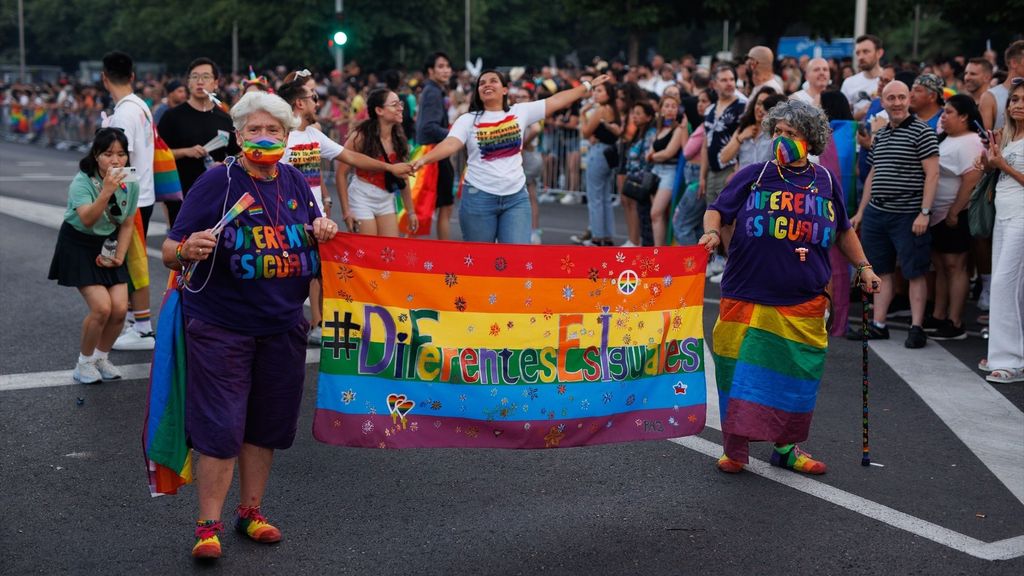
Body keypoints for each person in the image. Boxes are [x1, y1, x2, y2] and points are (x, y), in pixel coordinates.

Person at [161, 91, 340, 560]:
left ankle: (251, 512)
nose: (265, 138)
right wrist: (187, 249)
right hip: (222, 325)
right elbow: (169, 248)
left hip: (283, 325)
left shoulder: (298, 183)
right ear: (238, 136)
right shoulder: (217, 182)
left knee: (264, 426)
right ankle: (208, 526)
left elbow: (317, 236)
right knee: (221, 426)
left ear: (287, 136)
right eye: (255, 130)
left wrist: (326, 230)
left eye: (274, 131)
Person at [700, 99, 881, 475]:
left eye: (791, 133)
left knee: (793, 379)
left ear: (810, 139)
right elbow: (717, 208)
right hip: (745, 295)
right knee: (737, 376)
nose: (781, 139)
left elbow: (844, 231)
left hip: (803, 301)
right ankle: (735, 450)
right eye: (778, 132)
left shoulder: (826, 182)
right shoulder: (754, 174)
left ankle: (786, 448)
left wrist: (864, 266)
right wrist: (712, 232)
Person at [277, 75, 411, 345]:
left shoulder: (314, 134)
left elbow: (349, 158)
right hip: (287, 217)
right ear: (300, 104)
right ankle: (288, 326)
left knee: (319, 271)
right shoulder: (281, 137)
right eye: (314, 99)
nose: (319, 103)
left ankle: (317, 323)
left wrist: (387, 168)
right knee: (288, 274)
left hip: (314, 217)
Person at [413, 70, 611, 243]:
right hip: (479, 198)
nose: (487, 85)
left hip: (516, 199)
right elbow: (450, 143)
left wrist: (587, 85)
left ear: (505, 90)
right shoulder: (467, 120)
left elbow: (557, 100)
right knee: (481, 263)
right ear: (478, 92)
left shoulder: (520, 112)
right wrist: (423, 160)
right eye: (482, 83)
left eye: (493, 81)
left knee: (515, 260)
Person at [850, 81, 940, 349]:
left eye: (902, 97)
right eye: (891, 98)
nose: (897, 102)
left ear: (909, 99)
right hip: (878, 213)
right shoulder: (882, 136)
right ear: (883, 102)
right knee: (881, 272)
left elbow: (932, 174)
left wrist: (924, 212)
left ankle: (916, 327)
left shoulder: (922, 132)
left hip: (908, 214)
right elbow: (873, 176)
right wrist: (862, 212)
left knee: (914, 272)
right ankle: (878, 325)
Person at [48, 128, 139, 384]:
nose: (116, 160)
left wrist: (119, 256)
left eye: (121, 154)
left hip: (108, 243)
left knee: (120, 309)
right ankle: (83, 363)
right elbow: (87, 219)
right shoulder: (82, 181)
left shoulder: (130, 183)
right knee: (101, 308)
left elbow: (128, 222)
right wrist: (106, 191)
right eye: (108, 153)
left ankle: (101, 357)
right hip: (78, 242)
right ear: (96, 154)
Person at [99, 51, 158, 352]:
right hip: (142, 191)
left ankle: (143, 327)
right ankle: (137, 323)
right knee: (130, 258)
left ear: (104, 77)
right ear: (133, 76)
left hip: (129, 194)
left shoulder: (123, 113)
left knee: (129, 260)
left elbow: (119, 159)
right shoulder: (140, 107)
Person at [977, 79, 1024, 383]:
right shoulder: (1008, 136)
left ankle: (1010, 361)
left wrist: (1003, 165)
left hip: (1021, 217)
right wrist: (989, 160)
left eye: (1023, 100)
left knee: (1005, 285)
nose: (1017, 104)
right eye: (1014, 99)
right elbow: (991, 170)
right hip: (1004, 215)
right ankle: (1002, 354)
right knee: (1008, 287)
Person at [927, 94, 984, 340]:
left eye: (949, 112)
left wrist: (953, 211)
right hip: (937, 214)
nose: (944, 116)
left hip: (955, 214)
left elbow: (971, 180)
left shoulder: (970, 141)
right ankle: (939, 315)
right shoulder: (945, 138)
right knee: (940, 266)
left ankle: (955, 320)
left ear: (964, 117)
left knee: (955, 266)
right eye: (944, 112)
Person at [158, 57, 240, 225]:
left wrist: (226, 163)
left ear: (216, 83)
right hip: (182, 197)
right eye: (194, 77)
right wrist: (185, 152)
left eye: (205, 77)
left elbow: (237, 153)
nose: (200, 82)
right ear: (188, 82)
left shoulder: (225, 118)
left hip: (217, 195)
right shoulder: (172, 116)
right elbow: (157, 154)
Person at [337, 88, 419, 236]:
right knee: (368, 251)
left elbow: (403, 176)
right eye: (395, 104)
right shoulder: (360, 137)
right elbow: (341, 174)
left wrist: (411, 211)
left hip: (386, 198)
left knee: (389, 252)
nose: (400, 108)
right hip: (361, 197)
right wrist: (346, 212)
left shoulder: (399, 138)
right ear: (379, 110)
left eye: (400, 104)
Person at [700, 65, 746, 266]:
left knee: (729, 219)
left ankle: (732, 263)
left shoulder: (742, 105)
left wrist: (737, 169)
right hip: (712, 170)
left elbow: (744, 140)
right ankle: (720, 259)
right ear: (714, 84)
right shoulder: (710, 109)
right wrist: (702, 175)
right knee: (714, 217)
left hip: (729, 169)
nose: (729, 84)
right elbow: (705, 143)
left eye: (731, 79)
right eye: (724, 80)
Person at [415, 52, 455, 240]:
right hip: (434, 155)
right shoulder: (433, 92)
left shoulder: (433, 90)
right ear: (430, 71)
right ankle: (444, 258)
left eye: (447, 66)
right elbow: (428, 127)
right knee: (441, 208)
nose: (446, 70)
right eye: (440, 66)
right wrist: (456, 136)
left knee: (427, 207)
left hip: (432, 153)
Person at [580, 81, 621, 246]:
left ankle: (597, 237)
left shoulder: (601, 110)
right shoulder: (613, 110)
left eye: (599, 91)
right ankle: (607, 236)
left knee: (595, 197)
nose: (595, 94)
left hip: (599, 154)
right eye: (594, 91)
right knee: (604, 197)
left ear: (608, 94)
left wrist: (583, 114)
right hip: (608, 153)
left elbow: (585, 132)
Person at [673, 88, 714, 246]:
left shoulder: (706, 128)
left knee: (681, 224)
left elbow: (688, 152)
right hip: (695, 178)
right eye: (699, 101)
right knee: (695, 226)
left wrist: (683, 129)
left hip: (698, 180)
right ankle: (700, 265)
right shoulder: (703, 126)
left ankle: (690, 266)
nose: (700, 105)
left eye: (704, 101)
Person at [647, 94, 688, 246]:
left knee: (656, 213)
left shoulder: (678, 130)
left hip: (670, 173)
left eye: (673, 106)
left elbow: (668, 153)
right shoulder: (659, 129)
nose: (670, 109)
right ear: (661, 109)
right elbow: (650, 151)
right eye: (667, 106)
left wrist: (652, 156)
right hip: (656, 172)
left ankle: (659, 251)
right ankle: (659, 248)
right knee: (659, 215)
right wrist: (653, 156)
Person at [622, 100, 658, 246]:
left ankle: (648, 252)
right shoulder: (638, 133)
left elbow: (648, 159)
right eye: (633, 114)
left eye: (638, 114)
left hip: (644, 181)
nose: (634, 117)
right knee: (640, 213)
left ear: (649, 117)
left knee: (646, 217)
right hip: (636, 178)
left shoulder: (650, 134)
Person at [719, 87, 780, 171]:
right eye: (758, 103)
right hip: (744, 182)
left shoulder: (776, 133)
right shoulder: (743, 128)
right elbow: (723, 158)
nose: (761, 109)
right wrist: (741, 137)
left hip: (765, 182)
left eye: (766, 106)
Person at [841, 34, 886, 120]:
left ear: (879, 53)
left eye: (866, 52)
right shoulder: (848, 83)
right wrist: (860, 114)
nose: (860, 57)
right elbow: (843, 119)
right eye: (858, 53)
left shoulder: (892, 80)